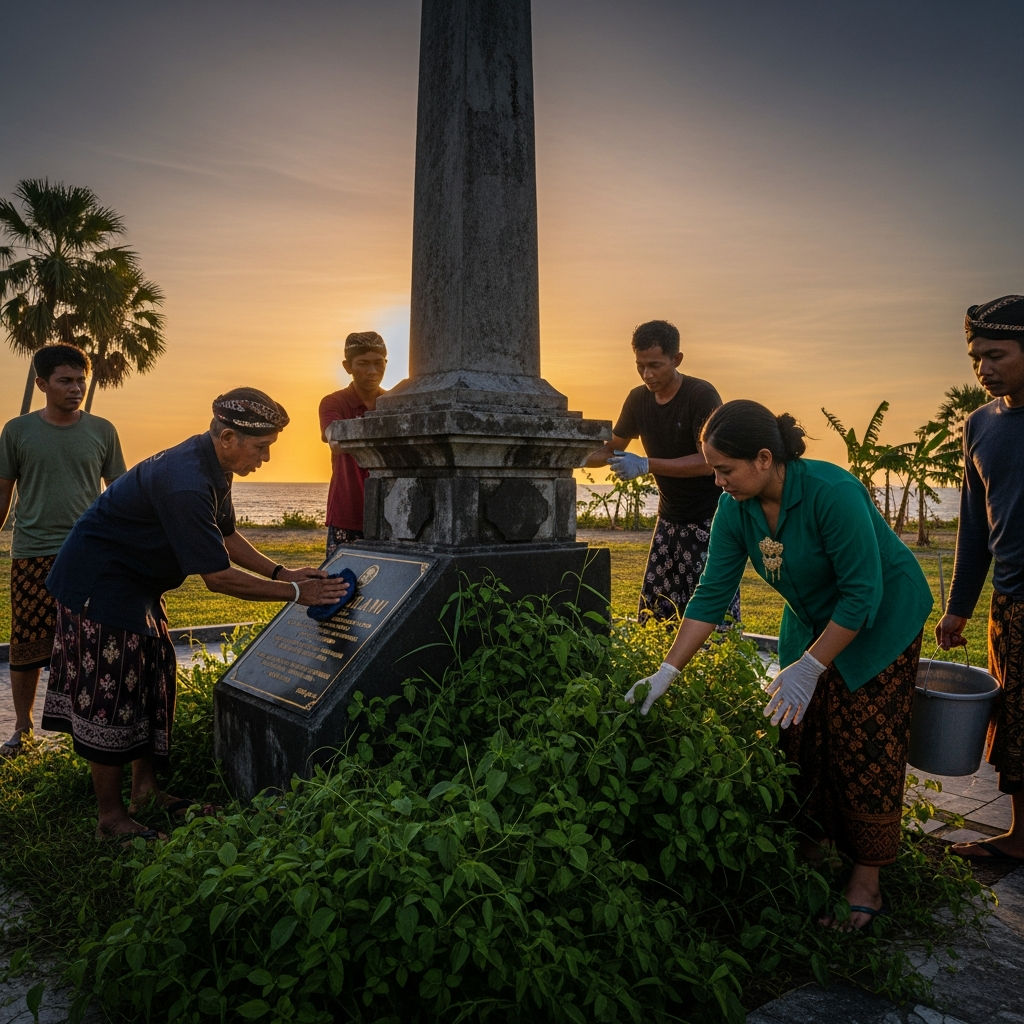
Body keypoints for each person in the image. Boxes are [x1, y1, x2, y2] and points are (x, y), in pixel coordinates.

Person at [624, 400, 932, 930]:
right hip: (811, 620)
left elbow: (862, 596)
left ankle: (867, 880)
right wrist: (666, 672)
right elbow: (710, 593)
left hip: (882, 618)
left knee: (866, 740)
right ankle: (819, 850)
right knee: (801, 736)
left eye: (725, 470)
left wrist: (811, 669)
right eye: (714, 469)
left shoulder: (831, 493)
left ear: (764, 458)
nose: (718, 482)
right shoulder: (735, 508)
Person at [40, 387, 351, 842]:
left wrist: (282, 570)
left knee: (151, 681)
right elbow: (218, 577)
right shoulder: (186, 480)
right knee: (111, 697)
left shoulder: (213, 466)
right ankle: (111, 820)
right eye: (261, 448)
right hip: (99, 586)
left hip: (139, 585)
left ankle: (146, 792)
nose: (265, 459)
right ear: (227, 437)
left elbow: (224, 535)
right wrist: (295, 592)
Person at [0, 344, 126, 760]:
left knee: (85, 644)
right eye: (65, 380)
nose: (76, 388)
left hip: (86, 553)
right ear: (42, 384)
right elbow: (3, 495)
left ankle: (82, 728)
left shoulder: (102, 430)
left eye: (80, 380)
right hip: (31, 552)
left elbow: (120, 494)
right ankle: (22, 728)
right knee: (27, 646)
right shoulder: (17, 432)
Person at [936, 295, 1024, 864]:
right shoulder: (980, 425)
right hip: (1013, 600)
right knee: (1016, 719)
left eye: (995, 355)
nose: (983, 369)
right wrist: (958, 607)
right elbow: (974, 525)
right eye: (975, 359)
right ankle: (1020, 839)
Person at [585, 321, 739, 624]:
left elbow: (710, 460)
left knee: (712, 612)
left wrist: (646, 464)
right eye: (640, 366)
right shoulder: (637, 399)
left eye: (655, 365)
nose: (647, 375)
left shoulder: (700, 395)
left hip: (711, 520)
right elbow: (612, 448)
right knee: (655, 614)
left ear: (676, 359)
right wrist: (568, 457)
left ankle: (718, 668)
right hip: (669, 519)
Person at [319, 331, 387, 560]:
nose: (372, 371)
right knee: (340, 583)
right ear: (347, 366)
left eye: (378, 363)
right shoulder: (334, 402)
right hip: (347, 511)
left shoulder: (393, 404)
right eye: (363, 364)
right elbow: (335, 440)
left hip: (388, 510)